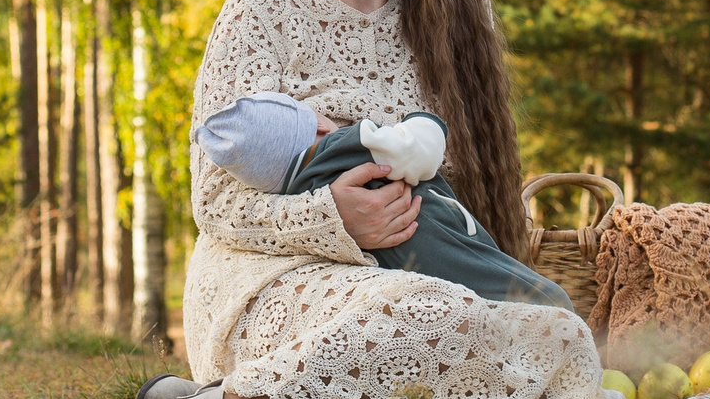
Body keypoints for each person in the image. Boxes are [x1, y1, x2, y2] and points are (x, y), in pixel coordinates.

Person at [81, 0, 613, 399]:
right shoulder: (263, 8)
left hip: (411, 279)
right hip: (265, 280)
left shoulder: (456, 27)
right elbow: (214, 201)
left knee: (556, 330)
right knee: (414, 314)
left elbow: (460, 196)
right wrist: (334, 218)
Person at [192, 95, 574, 310]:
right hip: (433, 235)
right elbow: (417, 150)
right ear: (320, 126)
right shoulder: (345, 145)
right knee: (542, 300)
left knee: (489, 309)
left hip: (405, 270)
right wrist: (425, 121)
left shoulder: (299, 192)